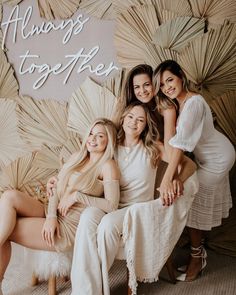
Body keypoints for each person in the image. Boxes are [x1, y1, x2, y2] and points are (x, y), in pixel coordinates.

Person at [70, 102, 198, 295]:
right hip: (111, 205)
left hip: (137, 212)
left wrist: (176, 180)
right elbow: (84, 166)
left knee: (106, 225)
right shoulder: (111, 146)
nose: (134, 123)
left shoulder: (153, 148)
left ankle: (100, 290)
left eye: (140, 120)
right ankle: (84, 291)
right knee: (88, 216)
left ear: (146, 125)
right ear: (122, 119)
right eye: (130, 117)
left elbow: (190, 165)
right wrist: (61, 181)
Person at [0, 118, 120, 295]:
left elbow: (112, 206)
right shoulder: (76, 158)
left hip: (67, 226)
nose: (92, 139)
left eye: (100, 136)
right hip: (52, 211)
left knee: (6, 229)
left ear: (108, 141)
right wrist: (51, 216)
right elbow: (56, 188)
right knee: (9, 196)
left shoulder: (108, 166)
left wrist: (77, 196)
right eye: (91, 134)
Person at [153, 59, 235, 281]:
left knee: (191, 200)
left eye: (170, 80)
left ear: (181, 76)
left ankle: (197, 258)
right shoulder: (179, 103)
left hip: (218, 158)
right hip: (207, 158)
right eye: (161, 85)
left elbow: (180, 145)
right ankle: (198, 253)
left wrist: (168, 179)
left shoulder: (194, 103)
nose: (167, 87)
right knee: (190, 201)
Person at [121, 63, 177, 158]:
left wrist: (171, 161)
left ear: (154, 84)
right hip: (143, 153)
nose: (142, 91)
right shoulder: (133, 109)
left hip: (168, 152)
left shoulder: (167, 108)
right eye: (137, 87)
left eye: (146, 85)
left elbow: (169, 142)